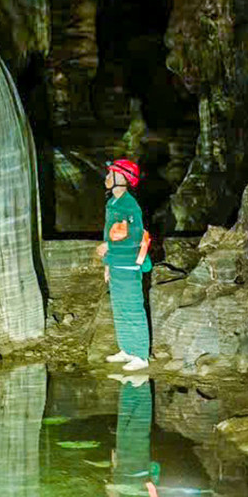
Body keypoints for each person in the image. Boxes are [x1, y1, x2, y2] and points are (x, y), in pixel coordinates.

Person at [96, 159, 152, 371]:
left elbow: (136, 236)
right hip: (116, 264)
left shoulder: (130, 205)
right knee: (119, 308)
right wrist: (107, 264)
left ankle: (140, 354)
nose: (107, 178)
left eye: (111, 174)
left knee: (132, 308)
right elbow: (108, 231)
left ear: (123, 179)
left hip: (129, 264)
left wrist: (107, 245)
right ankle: (127, 349)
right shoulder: (112, 203)